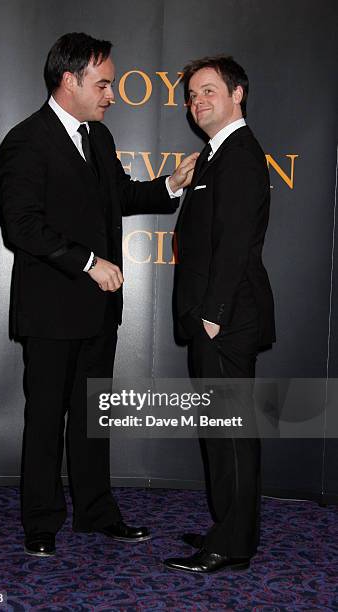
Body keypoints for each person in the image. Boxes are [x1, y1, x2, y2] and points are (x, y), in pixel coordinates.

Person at [0, 32, 197, 557]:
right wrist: (87, 262)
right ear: (69, 79)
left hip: (99, 312)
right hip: (50, 311)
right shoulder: (25, 141)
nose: (111, 93)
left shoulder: (99, 139)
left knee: (92, 417)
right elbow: (21, 226)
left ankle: (96, 512)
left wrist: (170, 184)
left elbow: (122, 196)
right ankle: (40, 522)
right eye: (103, 83)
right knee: (45, 422)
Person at [164, 56, 275, 574]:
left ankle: (232, 544)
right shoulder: (215, 155)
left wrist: (214, 314)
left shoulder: (242, 155)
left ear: (238, 94)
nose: (197, 101)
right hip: (216, 315)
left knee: (230, 434)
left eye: (208, 90)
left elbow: (234, 244)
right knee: (221, 431)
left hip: (225, 318)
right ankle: (228, 527)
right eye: (191, 95)